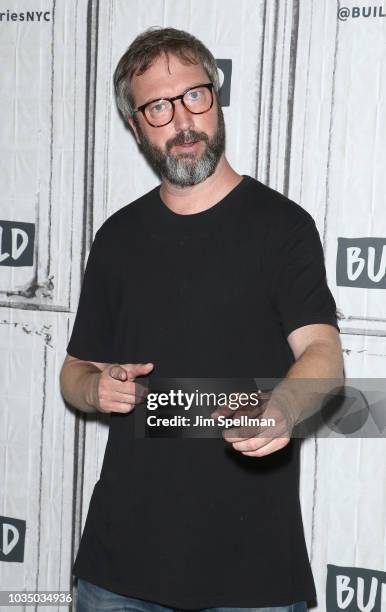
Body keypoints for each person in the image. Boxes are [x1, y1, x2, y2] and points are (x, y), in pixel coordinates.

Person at [60, 27, 344, 612]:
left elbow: (323, 353)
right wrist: (95, 386)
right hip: (119, 569)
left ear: (215, 99)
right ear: (136, 127)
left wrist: (283, 406)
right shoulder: (117, 238)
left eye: (195, 96)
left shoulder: (282, 228)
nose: (183, 121)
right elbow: (74, 370)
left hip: (251, 573)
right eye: (158, 108)